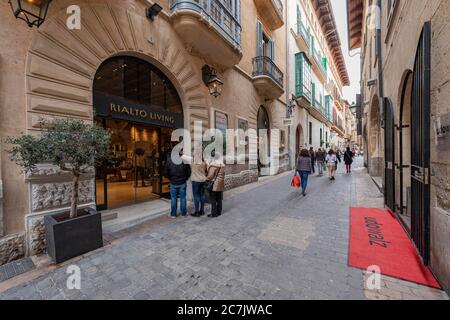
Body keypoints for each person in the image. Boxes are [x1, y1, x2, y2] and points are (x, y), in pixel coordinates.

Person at [163, 148, 191, 218]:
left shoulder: (169, 160)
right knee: (183, 198)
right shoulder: (184, 160)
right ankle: (183, 213)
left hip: (173, 182)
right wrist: (185, 178)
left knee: (173, 198)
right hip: (182, 182)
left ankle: (173, 214)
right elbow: (189, 172)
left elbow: (165, 173)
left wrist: (170, 178)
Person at [206, 154, 225, 218]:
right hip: (220, 184)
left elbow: (210, 176)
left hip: (214, 185)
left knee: (213, 199)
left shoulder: (214, 165)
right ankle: (219, 212)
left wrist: (207, 178)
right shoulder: (222, 165)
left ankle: (214, 213)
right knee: (219, 199)